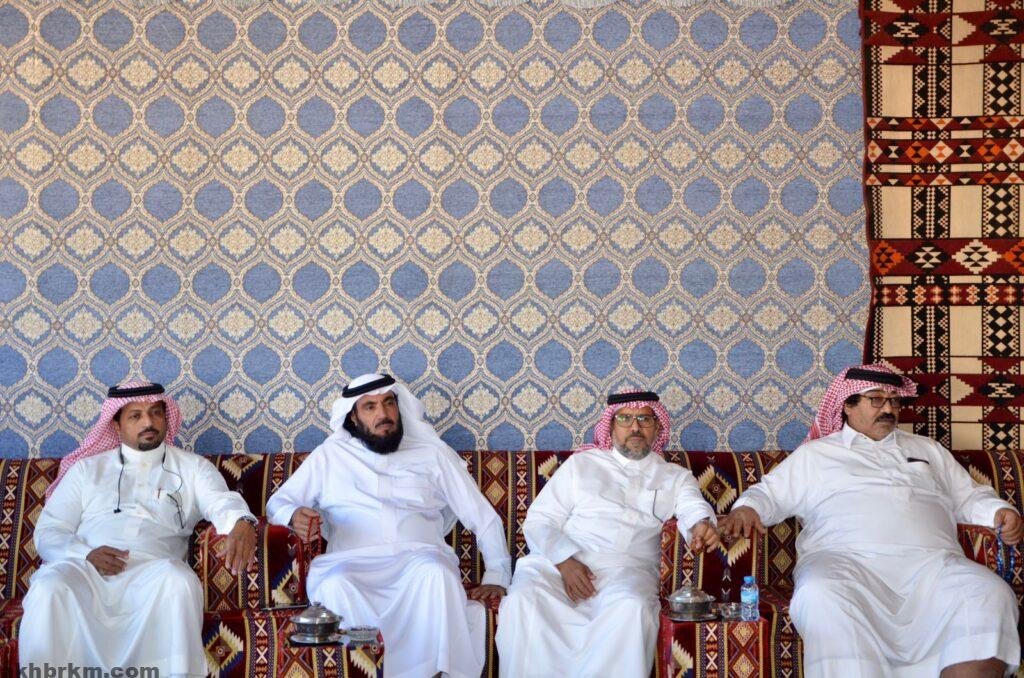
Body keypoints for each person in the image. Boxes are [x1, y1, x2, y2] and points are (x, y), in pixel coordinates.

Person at [721, 364, 1023, 677]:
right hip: (846, 566)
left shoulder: (927, 450)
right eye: (876, 399)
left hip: (933, 568)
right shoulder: (817, 455)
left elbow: (968, 496)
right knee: (820, 594)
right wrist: (747, 509)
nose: (888, 409)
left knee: (989, 593)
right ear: (847, 405)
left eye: (894, 401)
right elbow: (768, 494)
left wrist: (998, 511)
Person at [266, 373, 511, 678]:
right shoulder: (330, 457)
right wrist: (294, 515)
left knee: (437, 575)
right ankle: (362, 670)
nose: (383, 414)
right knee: (335, 584)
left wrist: (497, 574)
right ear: (353, 417)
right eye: (370, 407)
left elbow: (482, 516)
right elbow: (277, 503)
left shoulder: (433, 454)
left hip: (419, 562)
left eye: (388, 403)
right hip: (351, 566)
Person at [21, 381, 257, 676]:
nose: (148, 422)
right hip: (86, 570)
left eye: (156, 412)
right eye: (135, 415)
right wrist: (84, 554)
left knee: (179, 581)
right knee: (48, 587)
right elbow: (49, 531)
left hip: (154, 574)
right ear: (116, 425)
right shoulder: (86, 470)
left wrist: (242, 521)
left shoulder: (192, 467)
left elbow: (220, 501)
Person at [495, 390, 719, 678]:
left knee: (632, 608)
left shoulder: (675, 476)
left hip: (626, 572)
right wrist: (565, 562)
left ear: (657, 427)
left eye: (644, 419)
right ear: (611, 426)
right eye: (625, 419)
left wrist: (701, 525)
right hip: (558, 566)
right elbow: (540, 520)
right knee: (523, 601)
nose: (635, 427)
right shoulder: (581, 465)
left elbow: (693, 508)